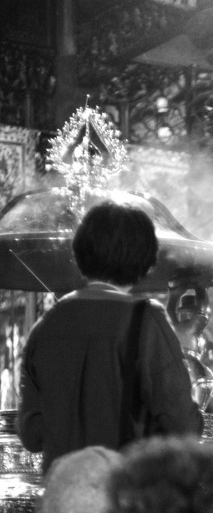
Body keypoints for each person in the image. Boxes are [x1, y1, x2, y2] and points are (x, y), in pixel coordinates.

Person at [18, 200, 202, 474]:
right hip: (125, 494)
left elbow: (31, 433)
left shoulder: (46, 326)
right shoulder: (145, 319)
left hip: (63, 495)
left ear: (81, 253)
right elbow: (182, 424)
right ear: (145, 258)